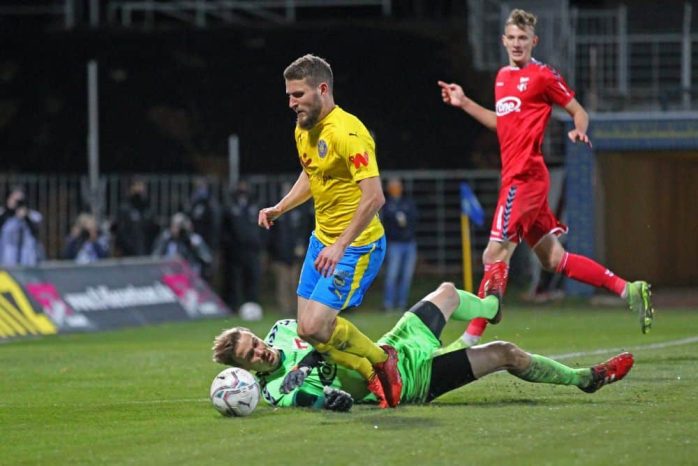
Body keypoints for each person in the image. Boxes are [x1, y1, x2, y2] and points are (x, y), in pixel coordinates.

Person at [437, 8, 654, 348]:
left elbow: (578, 111)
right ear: (503, 41)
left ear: (533, 41)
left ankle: (469, 338)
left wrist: (579, 131)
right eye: (512, 38)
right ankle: (629, 289)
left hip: (525, 178)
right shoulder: (501, 78)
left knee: (493, 255)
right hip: (517, 176)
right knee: (554, 260)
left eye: (524, 38)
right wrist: (464, 102)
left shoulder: (543, 76)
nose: (517, 43)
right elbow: (502, 123)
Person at [212, 282, 633, 411]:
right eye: (250, 355)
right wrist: (333, 401)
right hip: (410, 381)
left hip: (390, 349)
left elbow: (328, 335)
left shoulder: (284, 329)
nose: (260, 349)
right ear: (248, 370)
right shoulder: (277, 390)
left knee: (448, 293)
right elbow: (315, 398)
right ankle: (585, 379)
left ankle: (491, 304)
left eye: (253, 342)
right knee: (506, 353)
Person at [257, 54, 401, 408]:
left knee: (316, 326)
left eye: (298, 95)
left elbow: (375, 197)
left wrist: (340, 245)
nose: (291, 103)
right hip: (322, 240)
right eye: (289, 95)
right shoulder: (303, 128)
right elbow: (312, 174)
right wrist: (281, 206)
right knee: (307, 329)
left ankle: (382, 362)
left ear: (322, 89)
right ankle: (369, 368)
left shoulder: (349, 133)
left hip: (356, 246)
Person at [267, 181, 314, 316]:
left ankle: (297, 309)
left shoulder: (300, 211)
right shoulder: (276, 210)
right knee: (283, 282)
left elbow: (305, 229)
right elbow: (271, 234)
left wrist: (302, 245)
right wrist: (272, 251)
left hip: (295, 253)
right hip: (280, 253)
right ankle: (285, 309)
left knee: (296, 282)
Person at [221, 180, 263, 311]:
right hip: (235, 250)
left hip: (252, 249)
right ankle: (233, 306)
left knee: (252, 277)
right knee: (234, 278)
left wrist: (260, 243)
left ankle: (252, 305)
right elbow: (224, 229)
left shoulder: (255, 206)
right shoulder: (229, 207)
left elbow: (264, 228)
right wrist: (228, 245)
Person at [381, 177, 419, 312]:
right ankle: (389, 304)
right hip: (394, 244)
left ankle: (401, 304)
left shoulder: (407, 202)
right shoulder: (386, 204)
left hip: (409, 243)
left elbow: (414, 219)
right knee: (392, 275)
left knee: (406, 276)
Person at [114, 177, 159, 257]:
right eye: (136, 185)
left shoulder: (148, 209)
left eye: (141, 185)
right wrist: (130, 248)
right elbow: (121, 232)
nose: (139, 189)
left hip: (146, 252)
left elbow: (153, 230)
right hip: (128, 253)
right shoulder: (124, 209)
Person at [0, 186, 44, 266]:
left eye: (20, 201)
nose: (17, 203)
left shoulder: (33, 215)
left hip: (26, 255)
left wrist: (25, 216)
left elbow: (36, 231)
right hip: (6, 255)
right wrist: (9, 210)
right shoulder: (3, 213)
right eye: (14, 200)